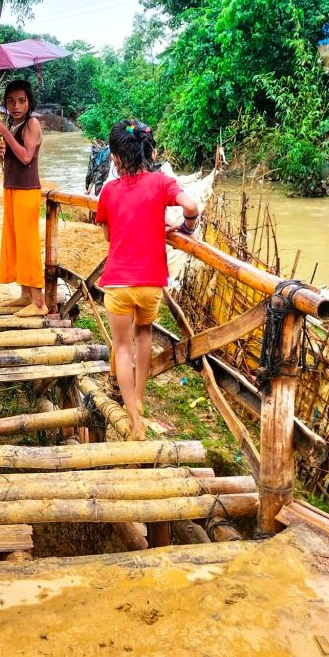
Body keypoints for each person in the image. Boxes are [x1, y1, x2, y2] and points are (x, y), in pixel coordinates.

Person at [95, 119, 199, 438]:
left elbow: (109, 235)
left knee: (121, 348)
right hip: (151, 283)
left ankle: (134, 419)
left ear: (115, 158)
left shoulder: (108, 191)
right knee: (143, 336)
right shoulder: (161, 182)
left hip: (118, 283)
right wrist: (186, 228)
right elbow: (191, 206)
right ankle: (140, 398)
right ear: (150, 151)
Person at [0, 79, 47, 317]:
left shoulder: (31, 123)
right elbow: (9, 163)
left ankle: (39, 303)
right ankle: (26, 295)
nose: (16, 106)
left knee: (28, 245)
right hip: (12, 188)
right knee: (15, 242)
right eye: (11, 101)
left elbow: (26, 157)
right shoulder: (12, 125)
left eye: (21, 101)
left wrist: (6, 134)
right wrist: (0, 153)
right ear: (5, 104)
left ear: (29, 102)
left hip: (27, 190)